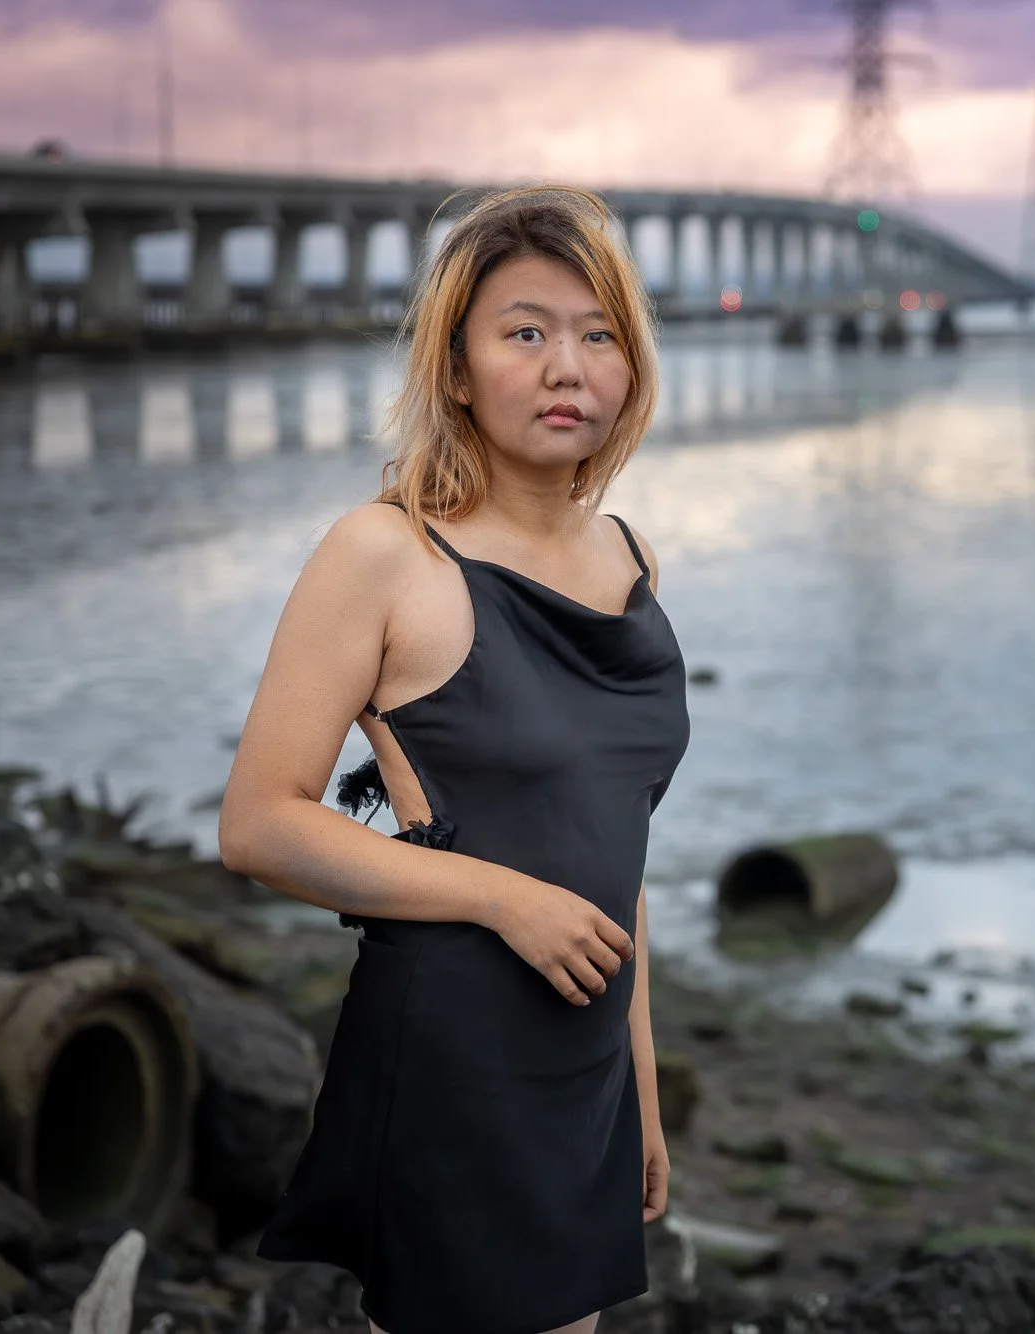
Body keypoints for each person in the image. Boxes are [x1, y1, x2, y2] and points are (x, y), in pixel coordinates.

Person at [217, 184, 690, 1334]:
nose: (566, 366)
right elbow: (260, 822)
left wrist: (643, 1087)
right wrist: (501, 897)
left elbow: (613, 838)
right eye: (525, 331)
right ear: (458, 369)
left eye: (597, 334)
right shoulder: (385, 552)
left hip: (585, 1064)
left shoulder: (629, 557)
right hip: (453, 1053)